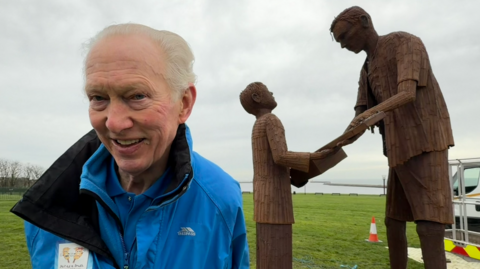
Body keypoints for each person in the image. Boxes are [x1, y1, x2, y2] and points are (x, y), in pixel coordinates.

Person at [11, 23, 249, 269]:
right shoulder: (50, 207)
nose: (114, 122)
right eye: (98, 98)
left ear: (184, 104)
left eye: (137, 96)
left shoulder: (220, 199)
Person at [330, 6, 454, 269]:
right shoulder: (366, 68)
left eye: (344, 36)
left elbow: (407, 93)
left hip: (425, 141)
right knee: (394, 221)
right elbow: (360, 116)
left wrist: (368, 115)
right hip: (397, 150)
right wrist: (328, 151)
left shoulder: (404, 43)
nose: (342, 45)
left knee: (429, 224)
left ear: (364, 21)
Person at [240, 82, 335, 269]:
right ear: (257, 98)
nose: (272, 92)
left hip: (263, 198)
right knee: (278, 253)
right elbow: (280, 156)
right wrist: (314, 157)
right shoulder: (270, 120)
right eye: (268, 90)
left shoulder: (257, 124)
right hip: (275, 199)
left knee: (267, 252)